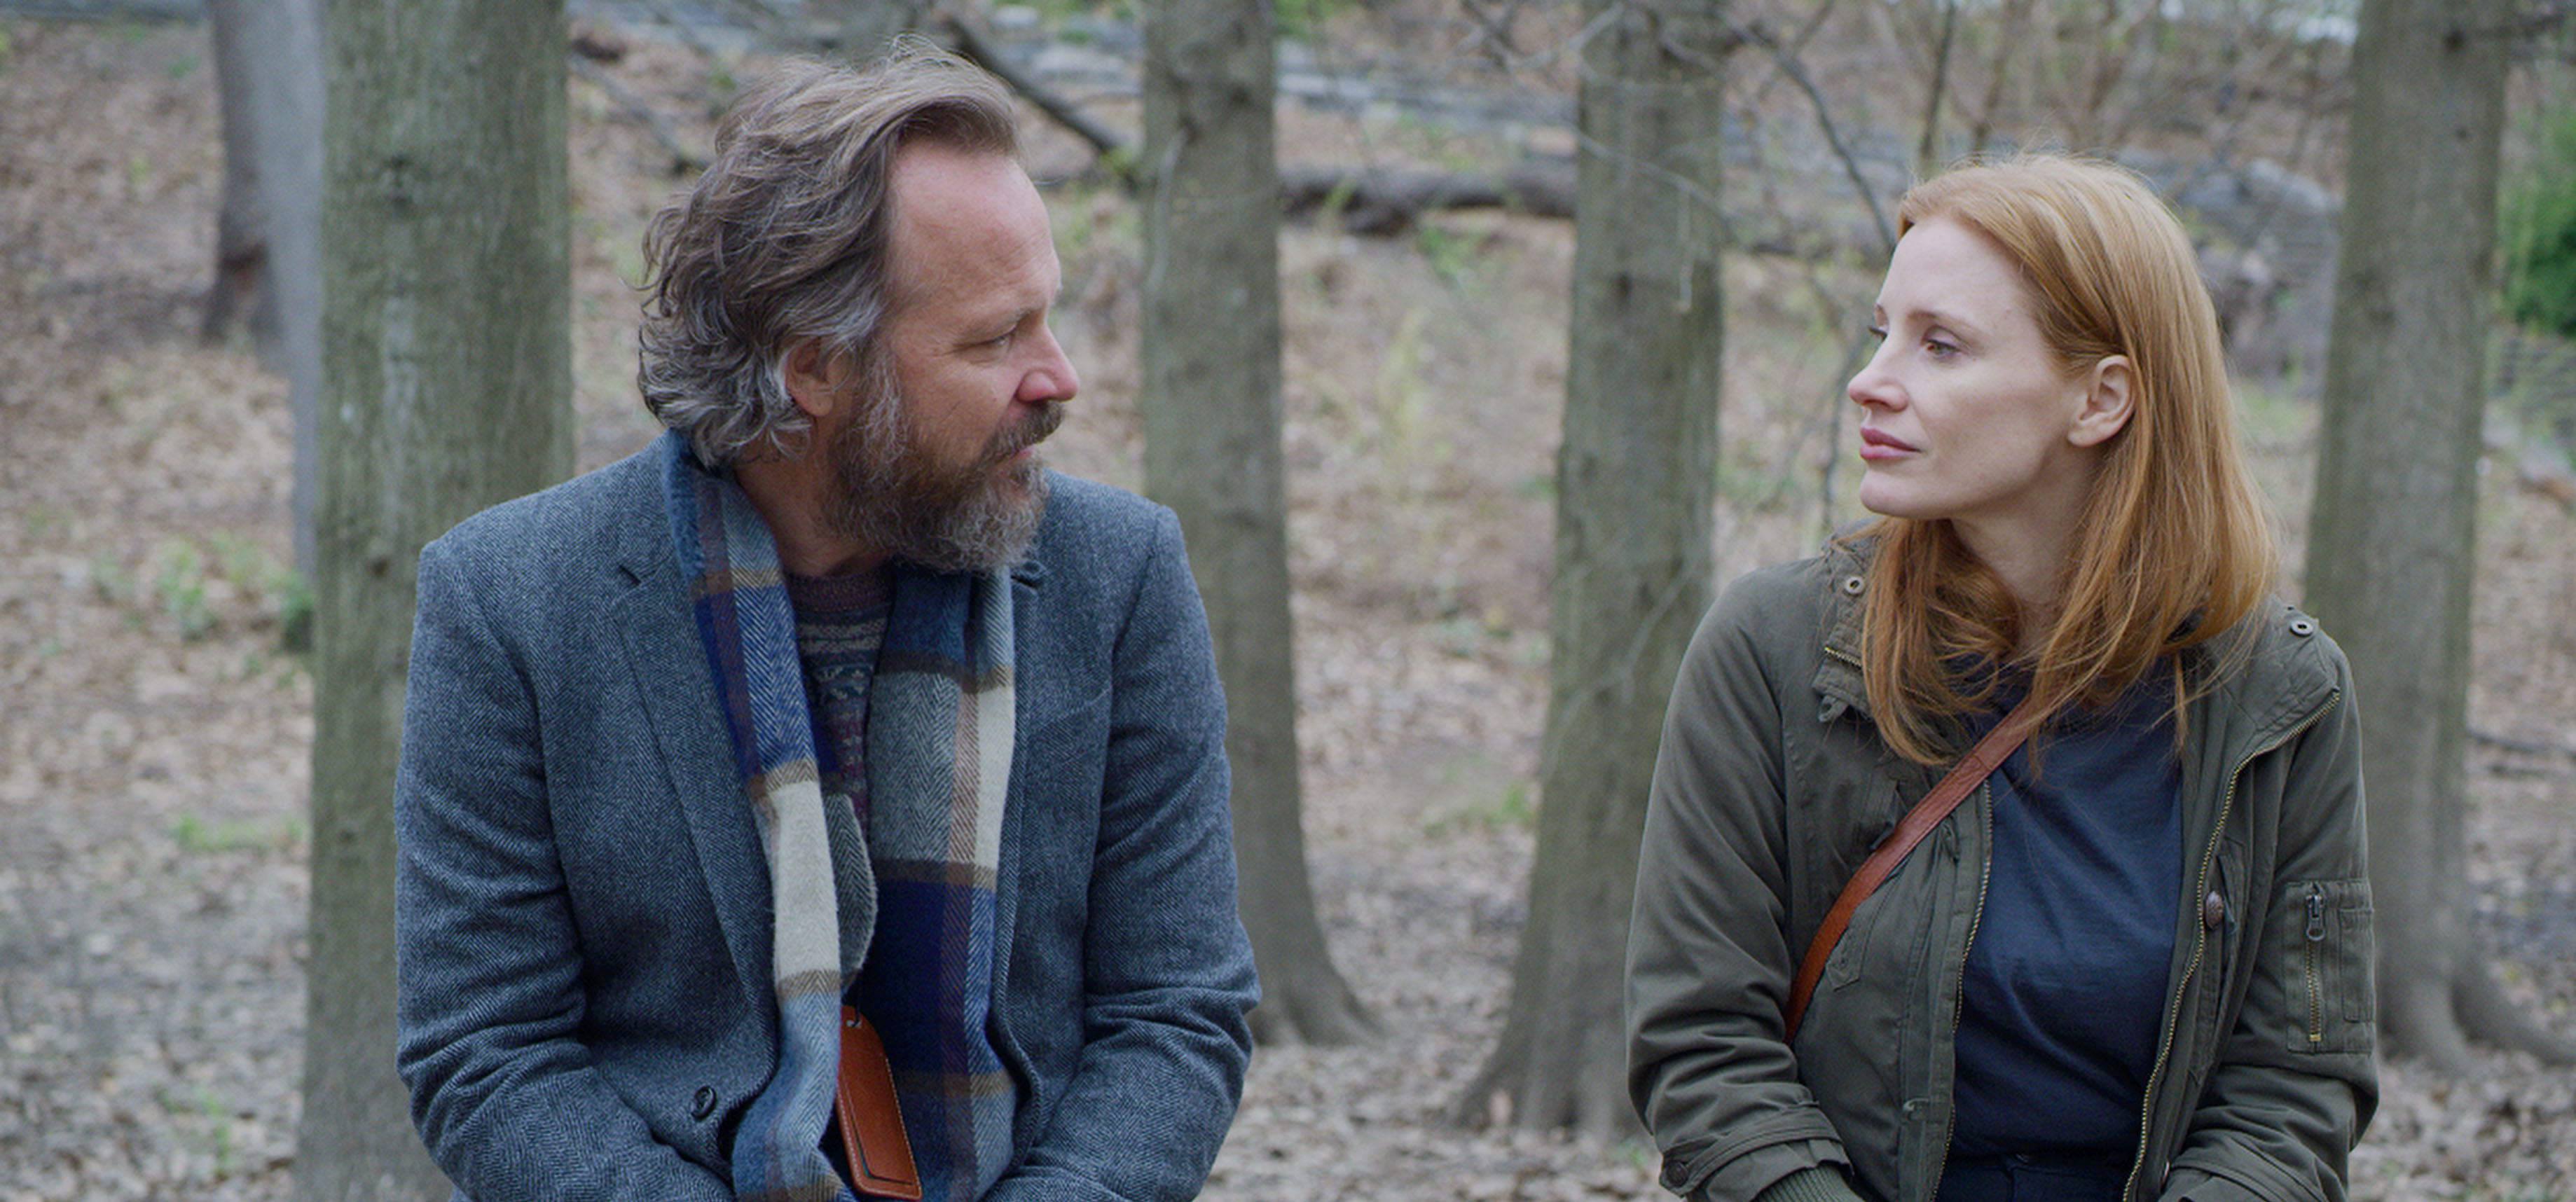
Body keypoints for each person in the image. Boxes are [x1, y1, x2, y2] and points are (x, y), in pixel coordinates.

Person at [392, 44, 1258, 1202]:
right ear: (816, 370)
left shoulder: (1120, 576)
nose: (1058, 379)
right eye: (994, 339)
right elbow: (485, 1052)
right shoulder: (510, 599)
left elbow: (1176, 1011)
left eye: (1045, 321)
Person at [1625, 154, 2374, 1202]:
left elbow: (2293, 1090)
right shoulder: (1774, 651)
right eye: (1881, 331)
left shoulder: (2281, 695)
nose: (1870, 379)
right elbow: (1703, 1044)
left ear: (2100, 399)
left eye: (1940, 344)